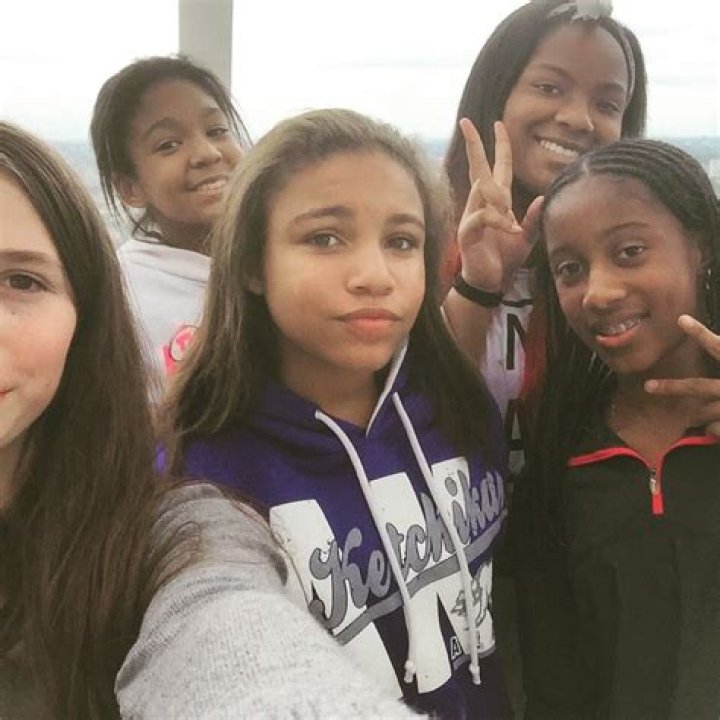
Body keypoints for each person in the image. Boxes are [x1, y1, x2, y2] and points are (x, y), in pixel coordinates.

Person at [0, 121, 424, 719]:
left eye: (20, 280)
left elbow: (224, 624)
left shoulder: (163, 532)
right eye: (325, 238)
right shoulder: (205, 446)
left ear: (85, 318)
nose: (374, 276)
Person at [162, 108, 512, 719]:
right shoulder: (199, 471)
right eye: (325, 238)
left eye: (401, 242)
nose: (375, 276)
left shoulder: (457, 404)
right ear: (251, 264)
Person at [512, 138, 720, 719]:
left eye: (629, 252)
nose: (598, 292)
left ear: (700, 247)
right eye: (570, 269)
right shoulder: (563, 465)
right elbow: (554, 688)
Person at [442, 0, 647, 472]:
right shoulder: (411, 240)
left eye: (607, 104)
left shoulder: (635, 271)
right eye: (549, 87)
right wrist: (478, 286)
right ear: (497, 91)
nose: (579, 119)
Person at [90, 55, 250, 387]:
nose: (207, 153)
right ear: (130, 188)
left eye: (217, 130)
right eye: (169, 145)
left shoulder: (278, 258)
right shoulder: (120, 296)